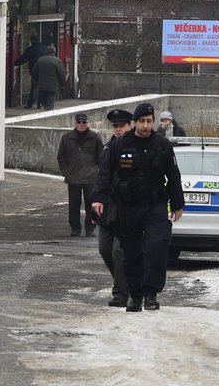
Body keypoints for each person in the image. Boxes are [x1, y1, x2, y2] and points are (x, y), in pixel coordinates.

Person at [91, 103, 185, 313]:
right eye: (141, 121)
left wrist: (177, 204)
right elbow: (105, 174)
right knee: (130, 252)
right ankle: (134, 295)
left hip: (155, 205)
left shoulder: (162, 145)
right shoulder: (120, 145)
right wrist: (98, 199)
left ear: (153, 122)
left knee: (157, 246)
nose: (145, 125)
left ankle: (151, 294)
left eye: (149, 121)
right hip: (128, 206)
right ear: (134, 122)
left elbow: (174, 175)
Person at [96, 108, 133, 307]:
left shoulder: (136, 147)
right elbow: (101, 178)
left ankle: (121, 292)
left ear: (129, 126)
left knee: (119, 251)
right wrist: (96, 201)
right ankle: (124, 282)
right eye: (115, 126)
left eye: (122, 126)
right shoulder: (107, 149)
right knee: (104, 249)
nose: (118, 129)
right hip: (108, 208)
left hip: (128, 209)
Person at [57, 112, 104, 237]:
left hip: (91, 178)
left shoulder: (95, 137)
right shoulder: (67, 138)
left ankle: (90, 228)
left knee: (91, 204)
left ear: (87, 123)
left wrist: (97, 172)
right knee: (74, 204)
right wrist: (67, 173)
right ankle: (75, 229)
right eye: (79, 122)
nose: (81, 124)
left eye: (84, 122)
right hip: (74, 178)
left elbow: (102, 157)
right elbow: (61, 157)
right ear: (75, 123)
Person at [13, 35, 47, 109]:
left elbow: (23, 58)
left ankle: (30, 103)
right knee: (42, 88)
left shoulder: (31, 49)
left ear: (32, 41)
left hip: (35, 71)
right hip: (44, 72)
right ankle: (41, 103)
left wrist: (16, 64)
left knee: (34, 88)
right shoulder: (44, 48)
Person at [31, 45, 66, 111]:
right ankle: (47, 116)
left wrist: (37, 80)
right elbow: (62, 74)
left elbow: (34, 71)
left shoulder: (40, 60)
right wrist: (62, 84)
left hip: (41, 85)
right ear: (54, 52)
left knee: (44, 101)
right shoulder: (57, 61)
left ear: (46, 52)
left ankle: (44, 111)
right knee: (50, 103)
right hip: (52, 86)